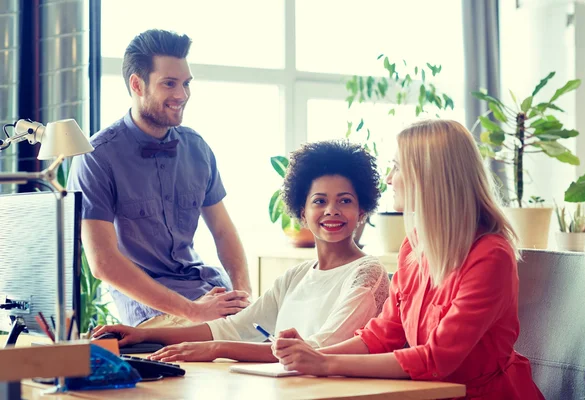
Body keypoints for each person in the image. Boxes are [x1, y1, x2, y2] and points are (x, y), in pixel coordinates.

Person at [272, 120, 545, 399]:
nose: (389, 178)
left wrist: (324, 363)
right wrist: (309, 354)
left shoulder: (490, 256)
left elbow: (436, 358)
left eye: (397, 167)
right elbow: (381, 336)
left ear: (429, 176)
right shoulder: (413, 249)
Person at [92, 140, 390, 363]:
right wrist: (146, 334)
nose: (332, 211)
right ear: (302, 210)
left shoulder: (368, 273)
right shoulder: (295, 276)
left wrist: (218, 349)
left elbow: (316, 348)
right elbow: (234, 328)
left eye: (345, 201)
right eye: (320, 201)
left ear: (362, 209)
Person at [68, 29, 251, 329]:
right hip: (152, 311)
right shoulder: (96, 157)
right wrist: (193, 311)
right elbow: (103, 263)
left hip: (208, 291)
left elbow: (223, 231)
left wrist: (243, 295)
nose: (182, 95)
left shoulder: (198, 148)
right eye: (169, 84)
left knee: (289, 336)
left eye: (186, 84)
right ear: (137, 85)